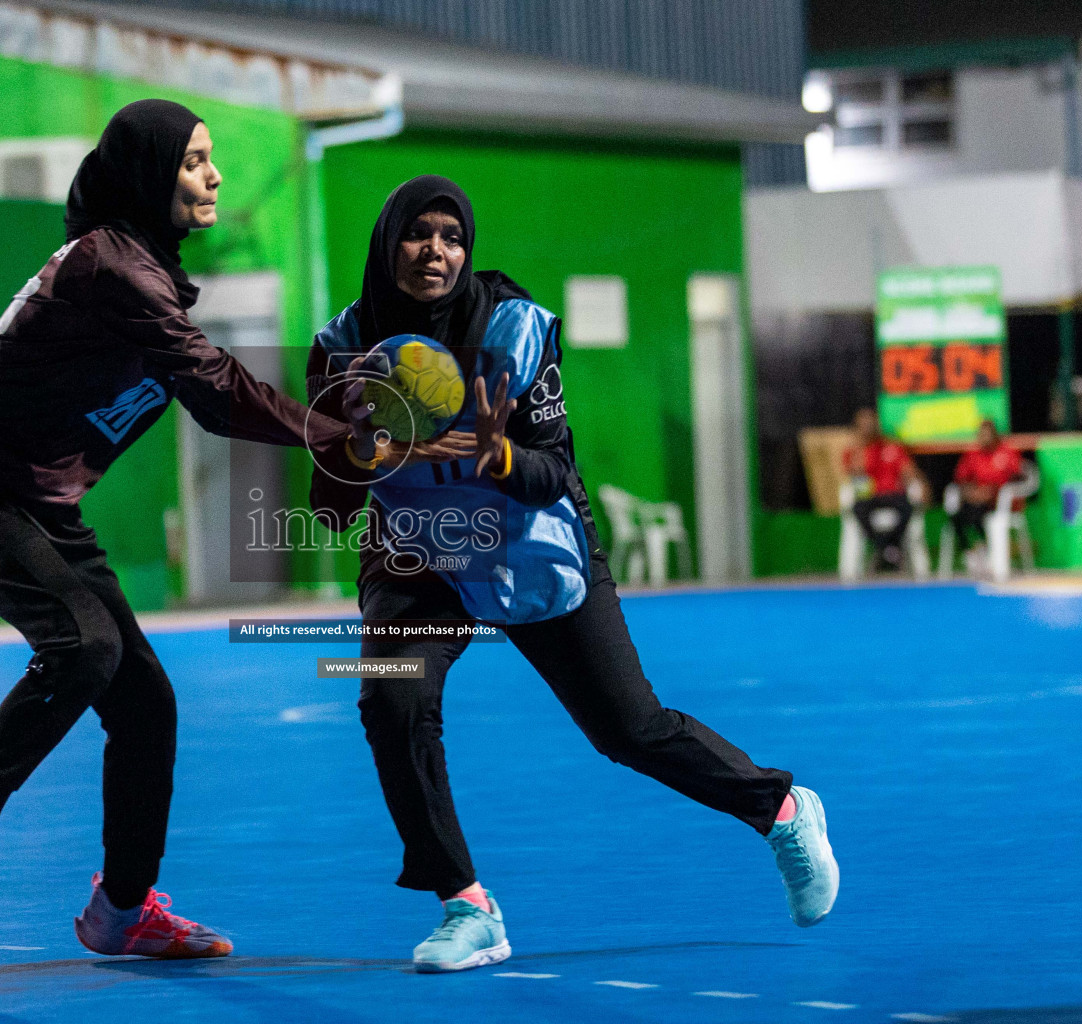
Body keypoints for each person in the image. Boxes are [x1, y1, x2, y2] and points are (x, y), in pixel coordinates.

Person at [305, 176, 839, 973]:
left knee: (629, 729)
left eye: (452, 237)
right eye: (420, 234)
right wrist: (358, 449)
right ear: (389, 244)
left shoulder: (513, 330)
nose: (436, 252)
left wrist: (502, 455)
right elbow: (330, 506)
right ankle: (466, 906)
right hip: (415, 554)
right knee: (391, 697)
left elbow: (554, 469)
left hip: (530, 536)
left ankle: (783, 809)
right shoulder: (342, 348)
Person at [0, 99, 355, 958]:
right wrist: (340, 436)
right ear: (148, 174)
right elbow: (216, 391)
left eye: (212, 160)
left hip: (39, 499)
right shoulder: (113, 271)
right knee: (84, 649)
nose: (213, 177)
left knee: (144, 701)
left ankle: (122, 912)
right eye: (193, 162)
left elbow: (207, 395)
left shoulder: (151, 274)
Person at [843, 408, 928, 571]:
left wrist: (921, 484)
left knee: (908, 507)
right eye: (864, 424)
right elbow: (856, 474)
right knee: (858, 508)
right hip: (870, 496)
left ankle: (885, 548)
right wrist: (862, 446)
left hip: (894, 495)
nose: (868, 426)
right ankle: (889, 548)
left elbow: (909, 471)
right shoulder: (854, 451)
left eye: (871, 422)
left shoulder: (892, 447)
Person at [951, 419, 1023, 567]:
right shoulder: (973, 455)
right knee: (957, 516)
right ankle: (971, 552)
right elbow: (961, 479)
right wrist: (971, 492)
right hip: (977, 499)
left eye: (986, 434)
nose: (983, 438)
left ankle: (987, 549)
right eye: (980, 434)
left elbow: (1018, 477)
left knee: (978, 512)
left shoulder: (1007, 452)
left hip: (1001, 501)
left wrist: (994, 490)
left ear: (994, 435)